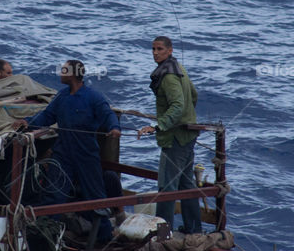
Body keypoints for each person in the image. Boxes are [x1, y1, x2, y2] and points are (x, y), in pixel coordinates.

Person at [16, 60, 121, 239]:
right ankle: (47, 234)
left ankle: (105, 237)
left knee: (96, 197)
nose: (60, 73)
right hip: (63, 154)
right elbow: (47, 115)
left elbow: (108, 114)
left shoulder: (93, 97)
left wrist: (114, 128)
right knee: (54, 195)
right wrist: (28, 122)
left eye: (64, 70)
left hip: (87, 155)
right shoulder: (62, 97)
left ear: (73, 74)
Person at [137, 36, 201, 234]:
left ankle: (163, 236)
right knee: (187, 185)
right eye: (153, 49)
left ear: (170, 50)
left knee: (167, 187)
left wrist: (157, 126)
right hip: (188, 137)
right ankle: (194, 230)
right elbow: (194, 95)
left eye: (160, 49)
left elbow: (178, 105)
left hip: (174, 140)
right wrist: (186, 119)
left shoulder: (168, 76)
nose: (155, 52)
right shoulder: (179, 68)